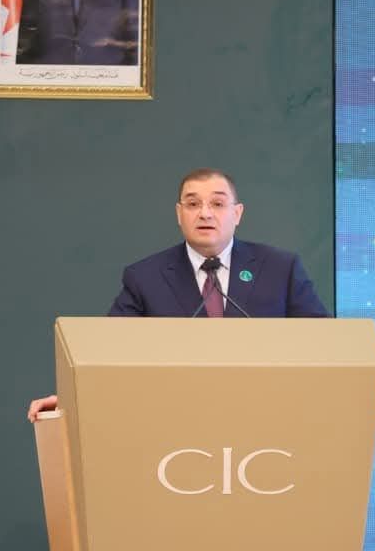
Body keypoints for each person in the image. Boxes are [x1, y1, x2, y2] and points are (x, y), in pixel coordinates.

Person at [26, 168, 329, 421]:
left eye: (218, 204)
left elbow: (321, 345)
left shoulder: (279, 268)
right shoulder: (145, 277)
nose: (205, 213)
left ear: (237, 213)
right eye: (193, 204)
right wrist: (70, 399)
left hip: (266, 414)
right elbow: (107, 354)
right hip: (176, 419)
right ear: (179, 213)